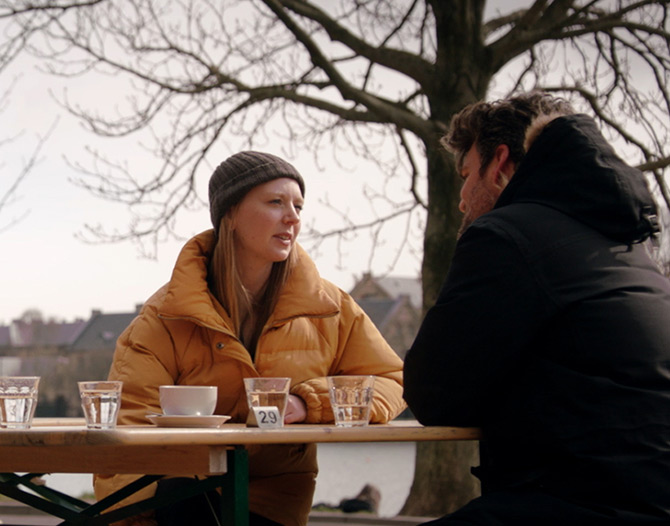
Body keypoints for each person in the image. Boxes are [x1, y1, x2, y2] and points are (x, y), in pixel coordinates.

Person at [94, 150, 407, 526]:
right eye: (276, 202)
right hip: (182, 496)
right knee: (183, 499)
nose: (292, 217)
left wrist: (309, 403)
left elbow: (394, 383)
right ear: (231, 214)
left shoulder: (330, 309)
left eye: (298, 206)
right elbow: (127, 433)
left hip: (272, 501)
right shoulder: (166, 315)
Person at [402, 91, 670, 525]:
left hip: (578, 500)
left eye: (466, 174)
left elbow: (432, 394)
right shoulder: (630, 245)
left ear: (500, 163)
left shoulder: (506, 236)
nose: (462, 199)